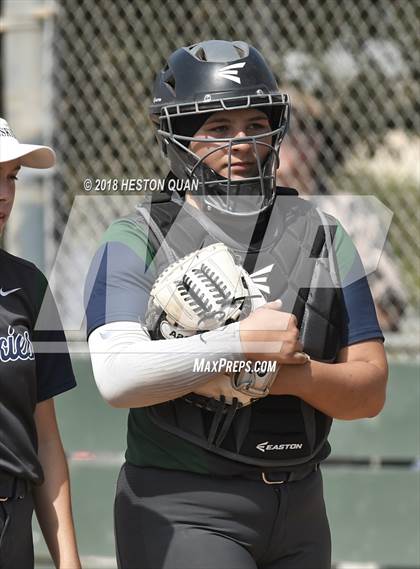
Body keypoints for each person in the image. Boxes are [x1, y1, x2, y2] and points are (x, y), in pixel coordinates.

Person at [85, 41, 388, 569]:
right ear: (178, 138)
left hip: (301, 507)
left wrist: (280, 375)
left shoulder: (321, 233)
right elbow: (117, 376)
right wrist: (237, 344)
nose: (242, 143)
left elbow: (370, 389)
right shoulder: (139, 235)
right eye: (218, 130)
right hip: (184, 505)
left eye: (254, 125)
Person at [0, 118, 80, 568]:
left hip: (13, 524)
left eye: (11, 177)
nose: (5, 194)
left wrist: (69, 563)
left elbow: (46, 439)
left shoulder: (29, 286)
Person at [275, 90, 408, 332]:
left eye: (295, 131)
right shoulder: (242, 209)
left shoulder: (350, 211)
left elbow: (388, 307)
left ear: (314, 142)